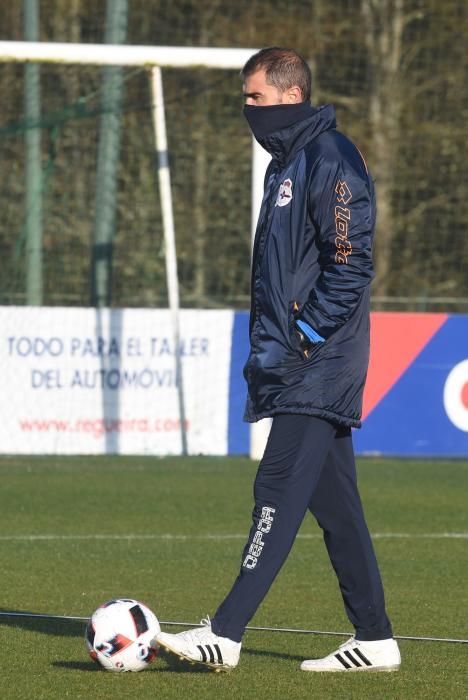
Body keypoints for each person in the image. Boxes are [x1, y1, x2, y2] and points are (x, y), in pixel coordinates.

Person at [157, 46, 400, 673]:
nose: (247, 109)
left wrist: (306, 336)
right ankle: (374, 639)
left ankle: (225, 632)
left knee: (276, 487)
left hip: (318, 362)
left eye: (255, 98)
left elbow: (351, 264)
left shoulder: (330, 158)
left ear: (290, 96)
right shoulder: (285, 165)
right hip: (292, 361)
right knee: (336, 506)